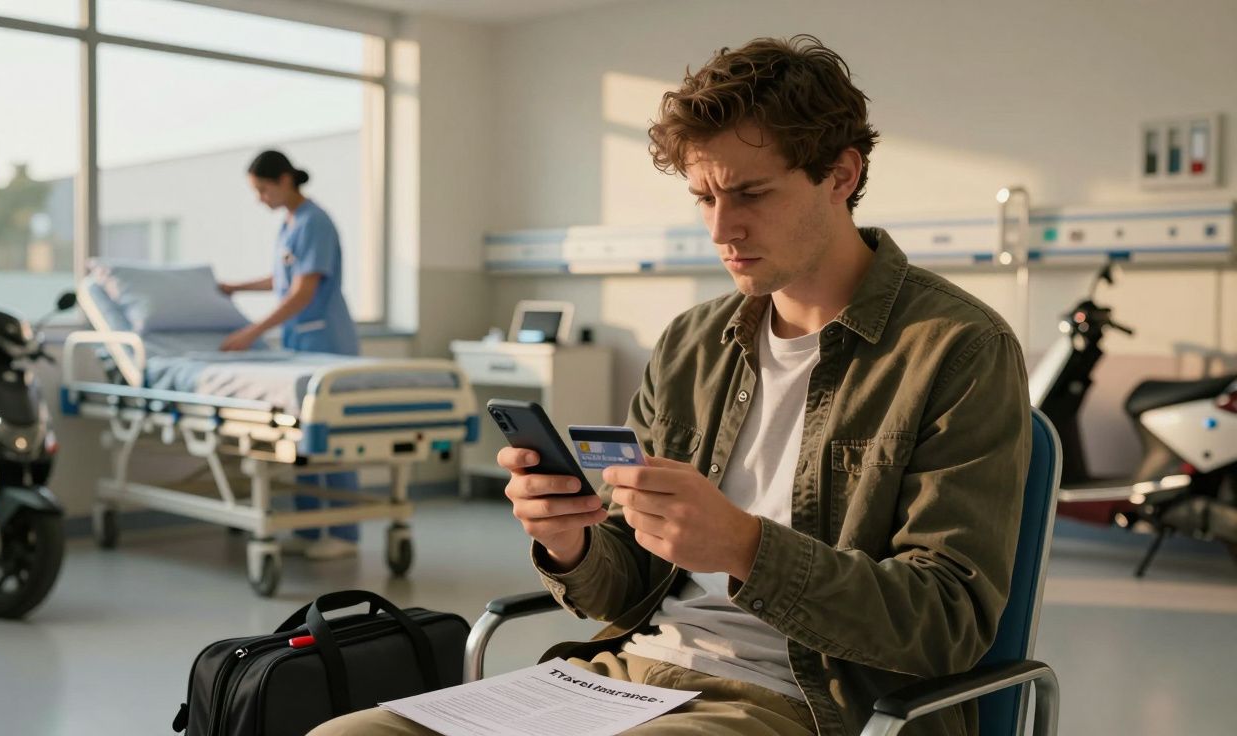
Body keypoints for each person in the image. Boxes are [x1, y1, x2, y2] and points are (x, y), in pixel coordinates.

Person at [312, 35, 1030, 736]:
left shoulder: (958, 350)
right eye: (703, 197)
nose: (722, 229)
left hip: (803, 702)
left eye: (751, 192)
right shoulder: (693, 344)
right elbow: (625, 584)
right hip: (625, 677)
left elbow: (947, 624)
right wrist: (571, 543)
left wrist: (747, 548)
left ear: (841, 175)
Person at [220, 149, 361, 560]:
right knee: (303, 440)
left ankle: (343, 534)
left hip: (327, 342)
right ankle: (310, 528)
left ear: (285, 180)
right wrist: (236, 288)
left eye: (263, 188)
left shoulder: (315, 221)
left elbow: (304, 291)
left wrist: (252, 331)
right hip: (301, 343)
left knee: (333, 440)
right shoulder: (289, 224)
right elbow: (283, 279)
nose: (260, 197)